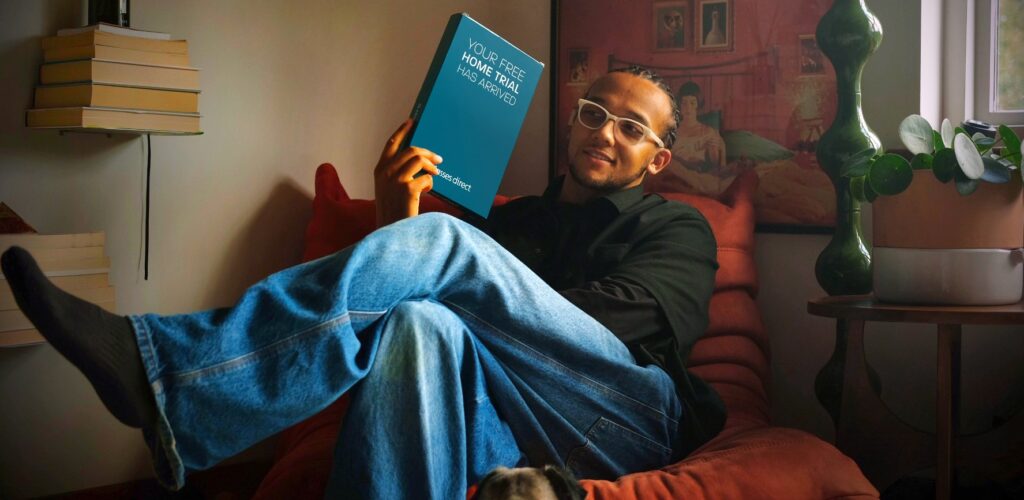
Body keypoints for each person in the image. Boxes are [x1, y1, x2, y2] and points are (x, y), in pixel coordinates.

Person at [1, 66, 724, 499]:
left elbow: (620, 325)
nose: (605, 132)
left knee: (447, 250)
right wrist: (395, 218)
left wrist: (465, 275)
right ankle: (173, 387)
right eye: (595, 113)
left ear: (658, 158)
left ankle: (171, 377)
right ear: (573, 122)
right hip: (504, 412)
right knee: (419, 323)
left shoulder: (678, 227)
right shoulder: (515, 221)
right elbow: (452, 317)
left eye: (632, 128)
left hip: (620, 420)